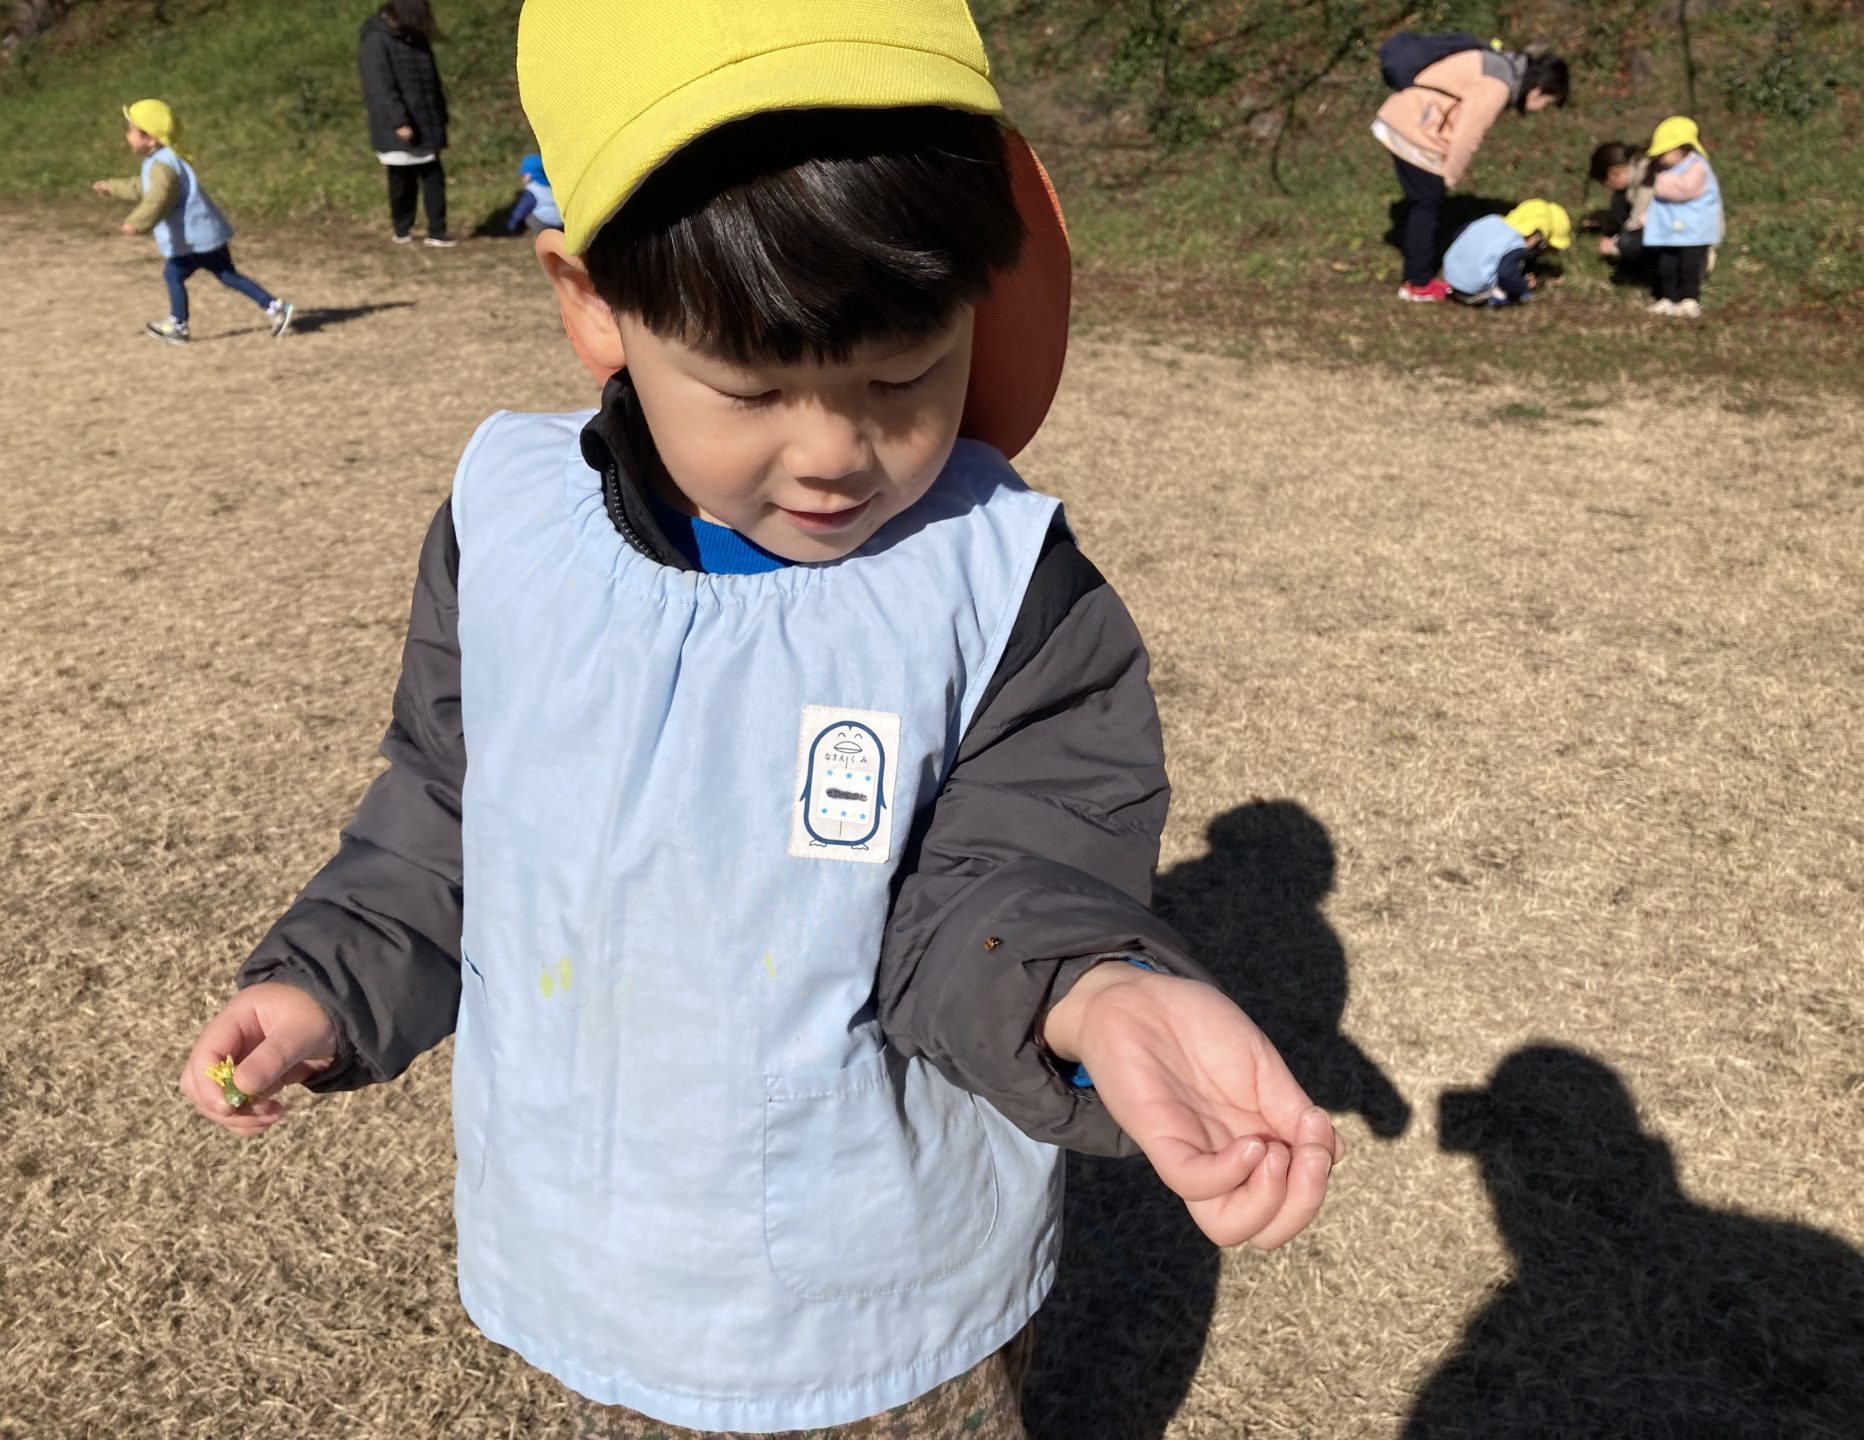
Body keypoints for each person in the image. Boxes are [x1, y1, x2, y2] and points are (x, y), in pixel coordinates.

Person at [178, 2, 1342, 1437]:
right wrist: (331, 978)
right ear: (592, 301)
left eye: (904, 373)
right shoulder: (509, 533)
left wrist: (1095, 989)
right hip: (593, 1271)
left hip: (886, 1308)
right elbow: (452, 807)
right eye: (751, 386)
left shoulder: (1001, 587)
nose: (837, 451)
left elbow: (1011, 876)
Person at [1371, 33, 1570, 302]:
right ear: (1538, 89)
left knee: (1424, 202)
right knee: (1427, 204)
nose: (1542, 109)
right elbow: (1468, 134)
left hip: (1407, 116)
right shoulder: (1498, 84)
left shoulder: (1500, 67)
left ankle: (1417, 272)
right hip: (1416, 127)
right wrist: (1449, 176)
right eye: (1547, 103)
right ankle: (1416, 284)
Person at [90, 99, 294, 345]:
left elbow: (158, 197)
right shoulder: (166, 159)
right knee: (228, 275)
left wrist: (136, 223)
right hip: (206, 233)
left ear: (150, 139)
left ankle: (178, 325)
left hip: (192, 238)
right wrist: (112, 187)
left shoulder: (161, 165)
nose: (127, 136)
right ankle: (275, 306)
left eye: (131, 131)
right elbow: (144, 187)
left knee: (173, 275)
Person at [357, 0, 453, 246]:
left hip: (427, 120)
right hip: (398, 126)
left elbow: (431, 82)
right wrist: (399, 121)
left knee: (433, 175)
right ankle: (402, 229)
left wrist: (440, 116)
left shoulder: (416, 38)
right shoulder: (376, 41)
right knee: (402, 179)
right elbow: (380, 87)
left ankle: (437, 231)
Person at [1643, 116, 1724, 319]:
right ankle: (1668, 297)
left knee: (1689, 265)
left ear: (1682, 148)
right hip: (1669, 229)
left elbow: (1683, 190)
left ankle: (1689, 298)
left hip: (1693, 230)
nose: (1660, 157)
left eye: (1664, 152)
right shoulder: (1665, 169)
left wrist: (1657, 182)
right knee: (1667, 264)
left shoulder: (1697, 167)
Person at [1441, 198, 1571, 306]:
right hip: (1470, 292)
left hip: (1450, 279)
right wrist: (1523, 288)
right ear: (1538, 238)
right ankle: (1496, 300)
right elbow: (1506, 274)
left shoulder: (1492, 220)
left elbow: (1458, 234)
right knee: (1507, 284)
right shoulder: (1516, 245)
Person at [1583, 140, 1653, 279]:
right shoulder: (1637, 169)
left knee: (1628, 242)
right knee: (1619, 199)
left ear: (1613, 174)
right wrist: (1604, 220)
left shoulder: (1646, 183)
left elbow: (1637, 221)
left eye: (1607, 184)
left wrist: (1615, 245)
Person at [505, 152, 561, 235]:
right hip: (560, 222)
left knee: (529, 214)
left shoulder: (531, 191)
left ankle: (539, 235)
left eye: (523, 175)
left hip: (545, 224)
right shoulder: (550, 186)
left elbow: (521, 210)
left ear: (528, 176)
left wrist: (511, 225)